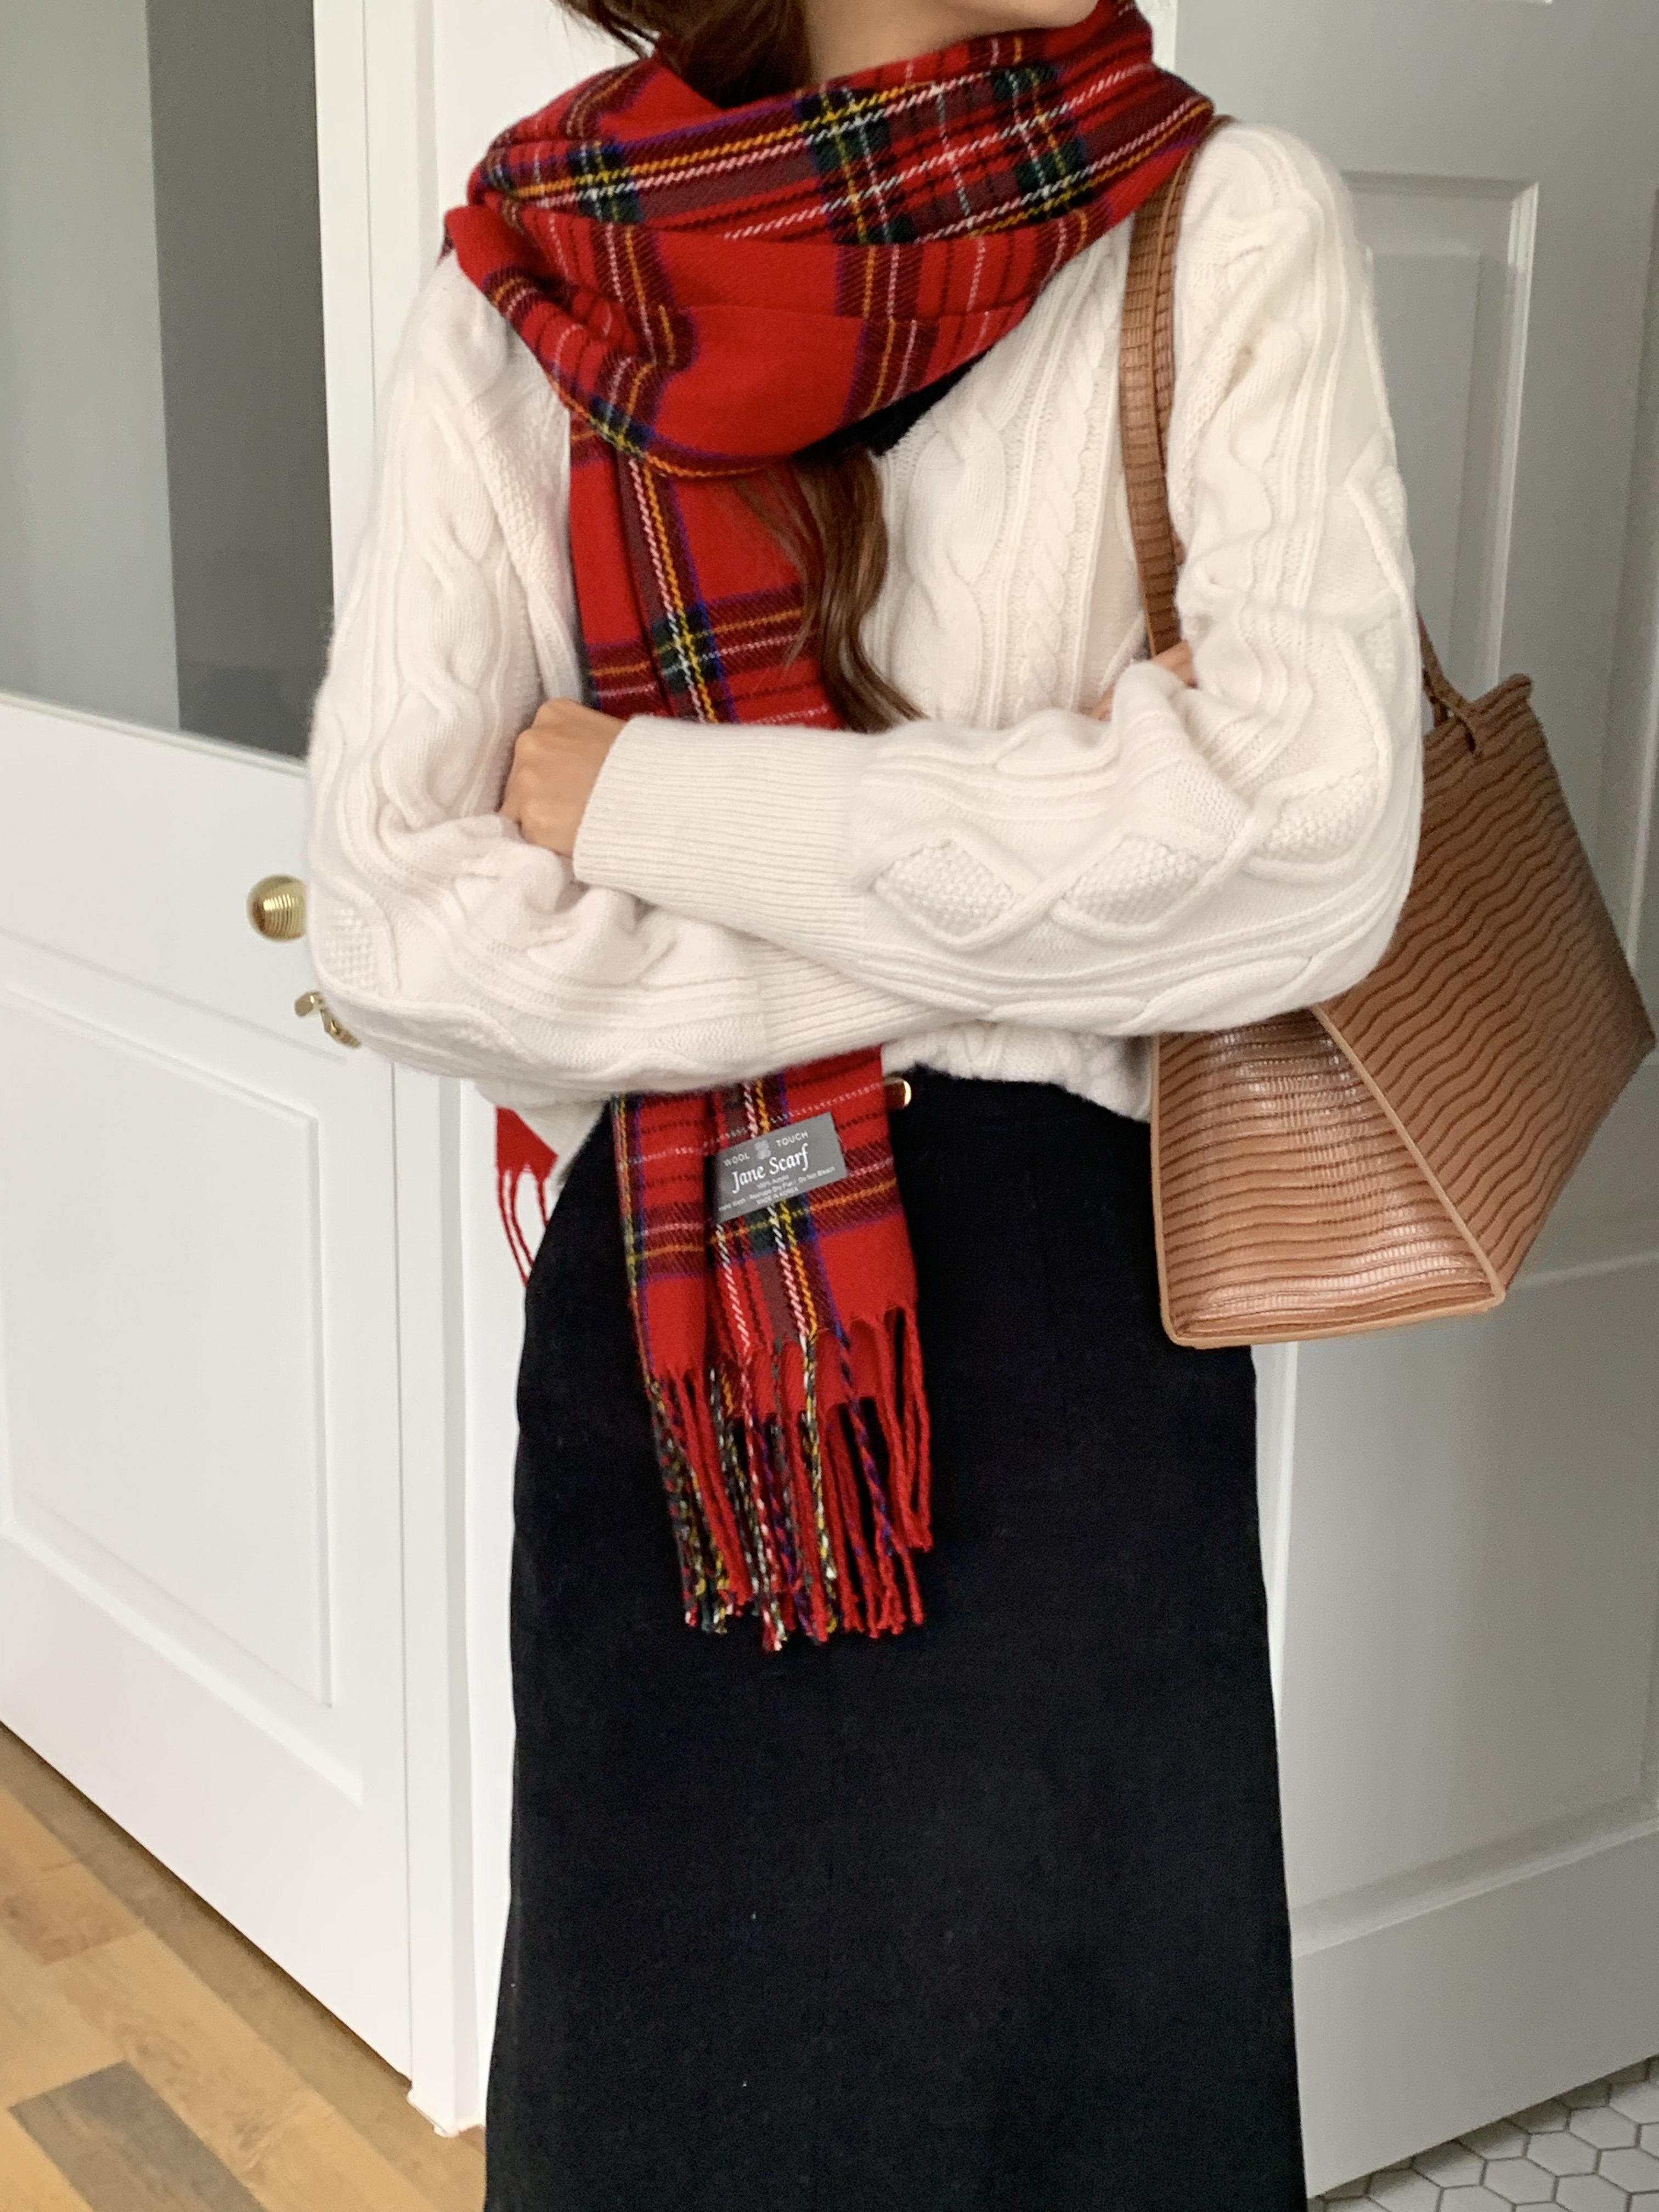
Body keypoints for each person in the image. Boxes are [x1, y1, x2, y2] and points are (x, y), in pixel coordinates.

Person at [303, 0, 1421, 2203]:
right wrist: (1083, 870)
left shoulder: (1217, 218)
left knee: (1082, 2078)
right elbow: (399, 917)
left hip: (1073, 1344)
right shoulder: (539, 270)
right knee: (671, 2087)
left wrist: (650, 804)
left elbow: (1313, 856)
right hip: (671, 1357)